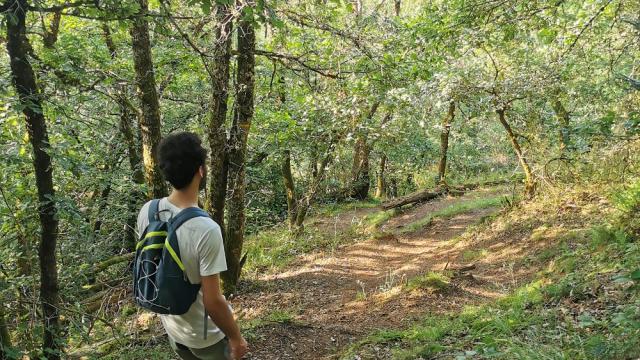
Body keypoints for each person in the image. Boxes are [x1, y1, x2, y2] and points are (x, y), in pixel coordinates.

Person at [136, 132, 248, 360]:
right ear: (200, 171)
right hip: (206, 337)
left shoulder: (148, 211)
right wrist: (236, 338)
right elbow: (213, 301)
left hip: (174, 330)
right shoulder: (205, 229)